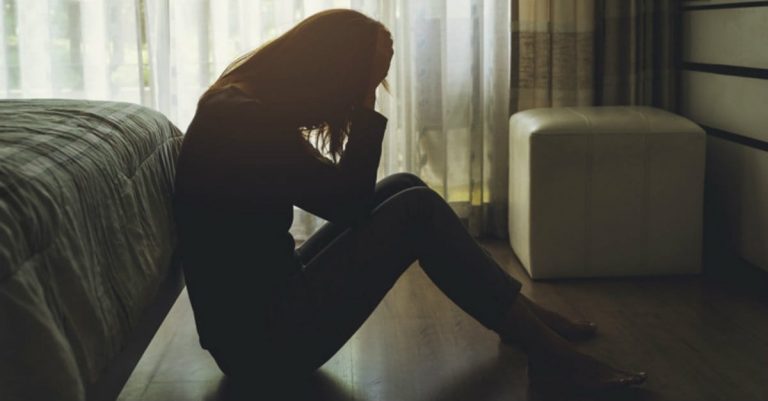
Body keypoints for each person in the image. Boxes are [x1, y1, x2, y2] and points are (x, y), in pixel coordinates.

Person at [173, 9, 646, 393]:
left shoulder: (238, 104)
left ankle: (518, 318)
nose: (366, 94)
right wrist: (363, 110)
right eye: (363, 82)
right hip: (266, 347)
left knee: (403, 185)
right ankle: (551, 355)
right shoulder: (244, 120)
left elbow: (340, 198)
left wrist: (363, 86)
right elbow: (350, 203)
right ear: (328, 68)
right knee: (414, 211)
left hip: (256, 325)